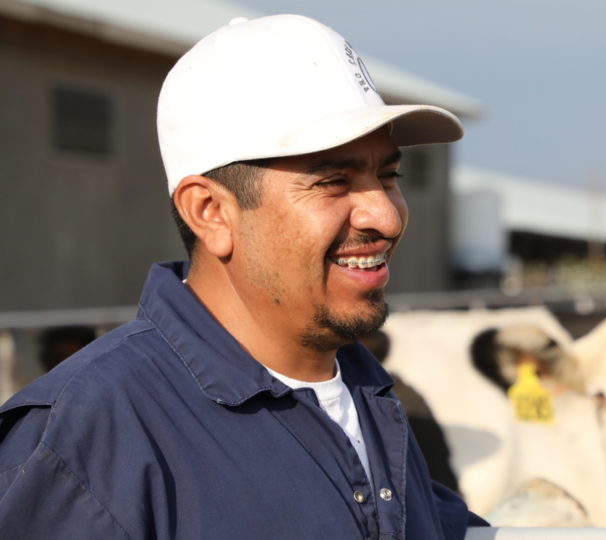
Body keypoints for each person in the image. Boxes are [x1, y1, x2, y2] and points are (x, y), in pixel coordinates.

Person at [0, 14, 486, 539]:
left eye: (388, 176)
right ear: (210, 212)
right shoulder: (91, 434)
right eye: (333, 181)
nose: (386, 217)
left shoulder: (364, 394)